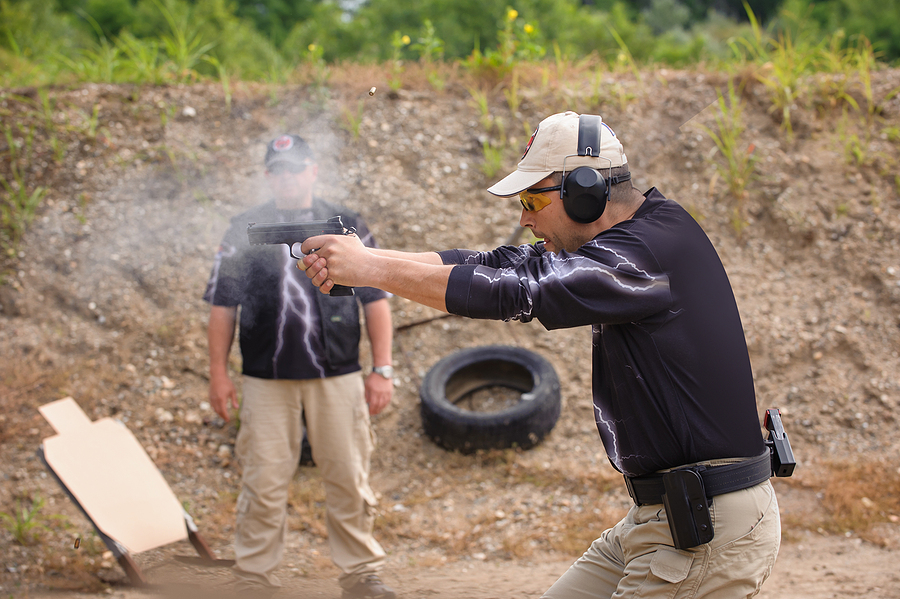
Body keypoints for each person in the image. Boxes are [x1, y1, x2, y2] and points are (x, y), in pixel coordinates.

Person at [297, 112, 781, 598]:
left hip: (708, 526)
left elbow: (515, 290)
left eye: (532, 199)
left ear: (584, 191)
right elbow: (496, 264)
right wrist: (368, 260)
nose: (523, 218)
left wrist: (372, 269)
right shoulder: (637, 240)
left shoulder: (649, 250)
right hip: (663, 518)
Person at [203, 134, 397, 599]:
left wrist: (382, 369)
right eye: (278, 170)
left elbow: (376, 299)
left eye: (295, 168)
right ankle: (252, 575)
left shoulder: (346, 224)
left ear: (312, 170)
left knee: (349, 475)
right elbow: (222, 306)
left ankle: (360, 574)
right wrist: (217, 373)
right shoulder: (243, 227)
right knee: (263, 478)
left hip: (338, 373)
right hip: (266, 377)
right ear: (268, 176)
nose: (287, 178)